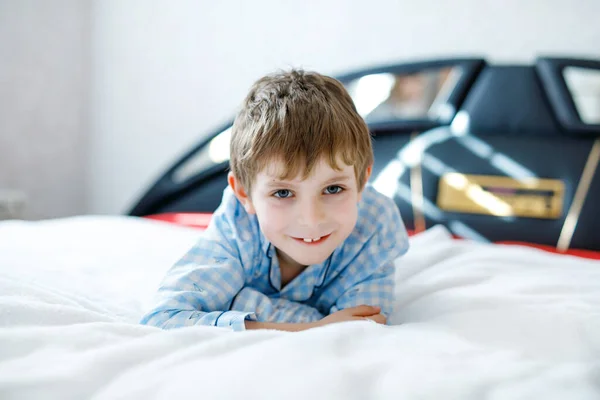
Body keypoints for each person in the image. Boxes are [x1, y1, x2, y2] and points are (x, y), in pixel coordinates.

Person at [140, 69, 409, 332]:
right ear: (244, 194)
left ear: (362, 181)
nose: (311, 219)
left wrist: (242, 303)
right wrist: (313, 326)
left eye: (333, 189)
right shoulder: (237, 228)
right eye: (283, 193)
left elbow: (361, 330)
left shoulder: (377, 227)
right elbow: (164, 318)